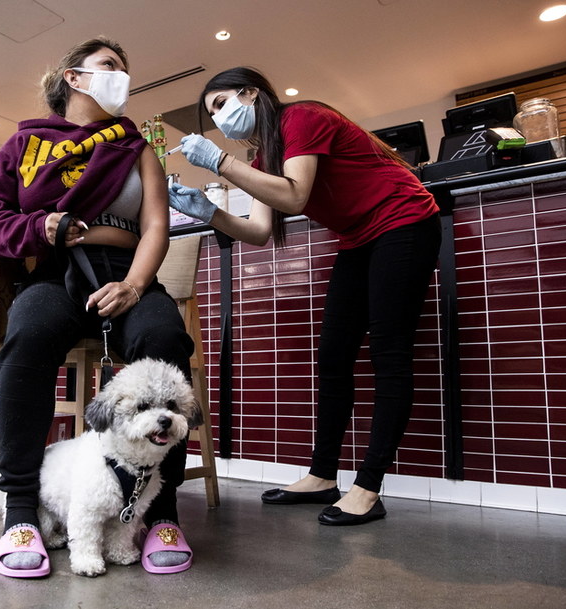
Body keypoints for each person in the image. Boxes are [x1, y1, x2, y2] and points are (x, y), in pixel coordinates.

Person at [169, 67, 441, 526]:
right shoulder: (261, 162)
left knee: (389, 354)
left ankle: (369, 488)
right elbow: (257, 231)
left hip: (405, 221)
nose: (219, 119)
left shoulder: (302, 118)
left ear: (250, 93)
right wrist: (208, 212)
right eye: (213, 115)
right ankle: (322, 475)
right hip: (358, 238)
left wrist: (218, 163)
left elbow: (294, 198)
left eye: (221, 105)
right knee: (333, 357)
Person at [0, 37, 195, 577]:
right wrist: (40, 225)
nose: (122, 76)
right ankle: (21, 510)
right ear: (74, 78)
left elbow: (156, 226)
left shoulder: (135, 146)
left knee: (164, 338)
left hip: (128, 275)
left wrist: (138, 286)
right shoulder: (25, 145)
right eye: (109, 66)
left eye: (124, 67)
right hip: (55, 271)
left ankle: (161, 511)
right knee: (27, 334)